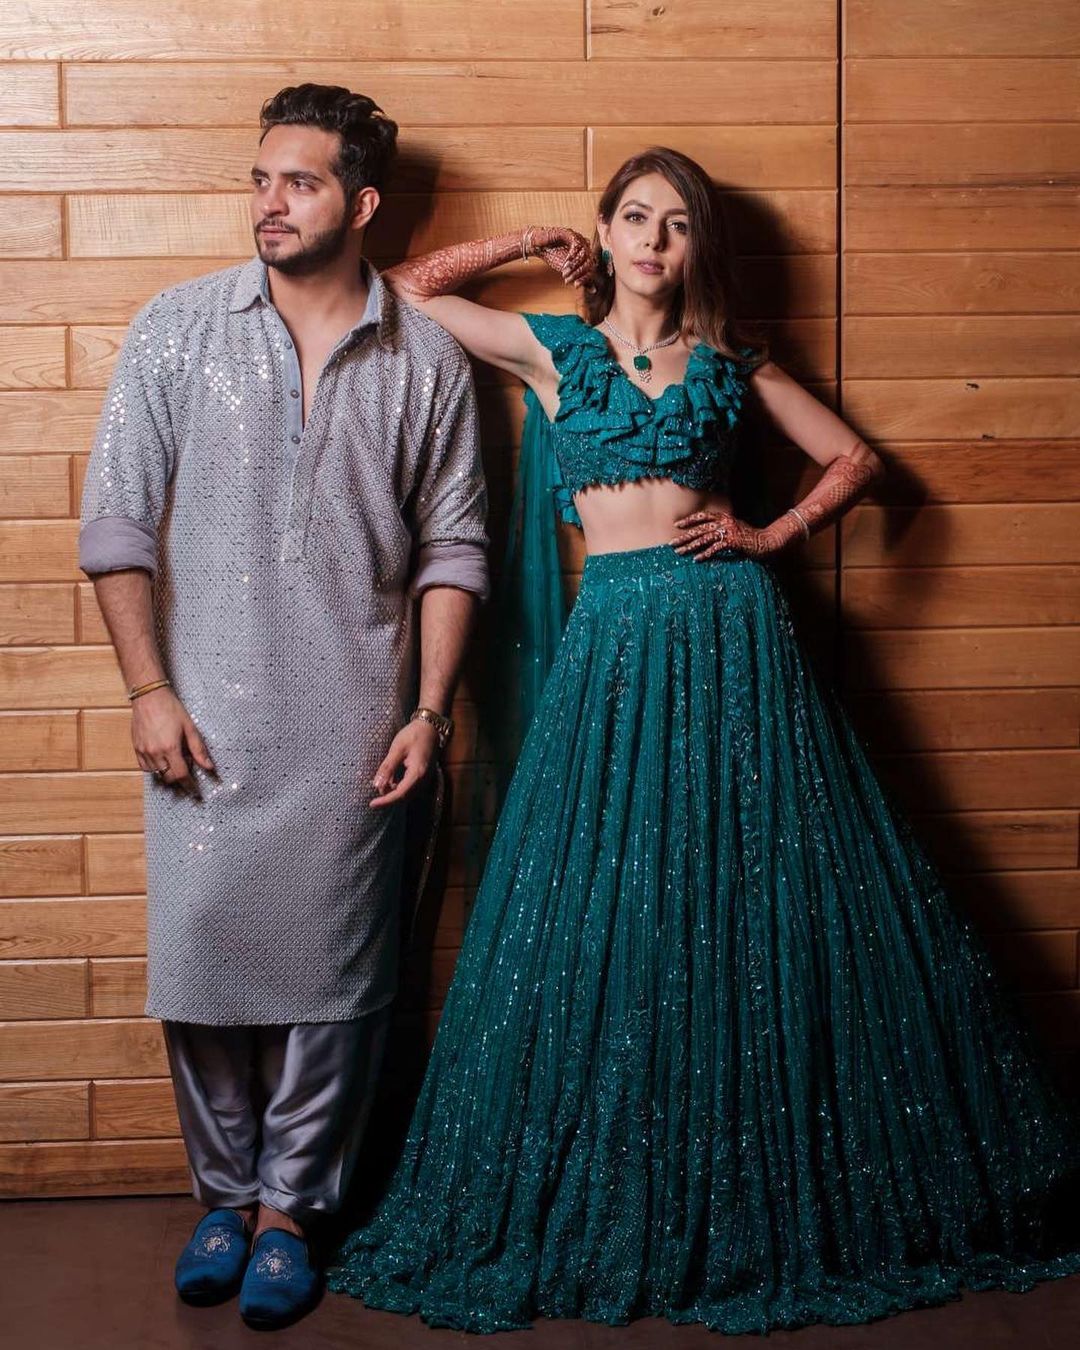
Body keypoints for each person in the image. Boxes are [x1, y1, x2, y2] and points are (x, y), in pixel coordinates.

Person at [327, 146, 1080, 1334]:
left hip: (735, 634)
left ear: (697, 248)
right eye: (635, 218)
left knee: (767, 885)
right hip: (615, 643)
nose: (653, 241)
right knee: (609, 895)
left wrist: (774, 535)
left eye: (676, 225)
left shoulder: (731, 362)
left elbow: (858, 460)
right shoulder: (553, 348)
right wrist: (526, 245)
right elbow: (400, 289)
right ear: (607, 230)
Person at [78, 84, 490, 1331]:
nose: (270, 202)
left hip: (356, 720)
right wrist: (148, 689)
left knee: (336, 979)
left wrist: (429, 712)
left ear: (360, 204)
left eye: (299, 182)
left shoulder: (425, 358)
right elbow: (115, 527)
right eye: (261, 179)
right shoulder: (175, 329)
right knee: (201, 965)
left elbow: (454, 549)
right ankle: (223, 1195)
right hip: (200, 714)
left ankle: (289, 1214)